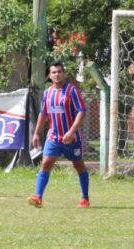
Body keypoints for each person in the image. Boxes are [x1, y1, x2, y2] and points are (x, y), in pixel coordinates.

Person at [28, 62, 90, 208]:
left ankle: (85, 198)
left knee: (79, 165)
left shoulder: (72, 90)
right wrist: (36, 133)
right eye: (54, 72)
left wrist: (72, 131)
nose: (57, 74)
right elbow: (43, 114)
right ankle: (38, 197)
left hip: (72, 138)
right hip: (54, 136)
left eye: (59, 72)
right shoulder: (47, 93)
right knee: (46, 163)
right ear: (50, 75)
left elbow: (82, 111)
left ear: (64, 74)